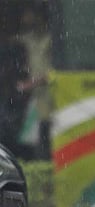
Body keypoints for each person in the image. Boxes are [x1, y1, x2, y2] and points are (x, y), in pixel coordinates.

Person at [16, 3, 52, 160]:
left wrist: (29, 84)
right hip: (35, 103)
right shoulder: (29, 39)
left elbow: (51, 74)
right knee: (34, 146)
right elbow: (12, 39)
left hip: (49, 101)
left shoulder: (50, 41)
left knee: (45, 145)